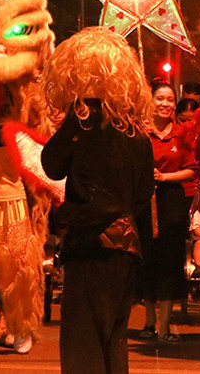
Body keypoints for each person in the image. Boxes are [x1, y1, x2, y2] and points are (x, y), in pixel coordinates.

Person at [41, 27, 155, 374]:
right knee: (113, 337)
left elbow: (51, 164)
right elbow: (142, 193)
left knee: (82, 339)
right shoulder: (136, 131)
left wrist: (74, 120)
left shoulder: (83, 123)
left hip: (91, 244)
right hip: (127, 245)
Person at [137, 79, 197, 344]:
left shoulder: (183, 134)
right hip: (143, 203)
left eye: (170, 100)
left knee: (169, 264)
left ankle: (164, 325)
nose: (165, 104)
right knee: (146, 262)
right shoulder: (138, 132)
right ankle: (148, 321)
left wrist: (165, 177)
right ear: (150, 101)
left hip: (171, 203)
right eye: (160, 98)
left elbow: (192, 170)